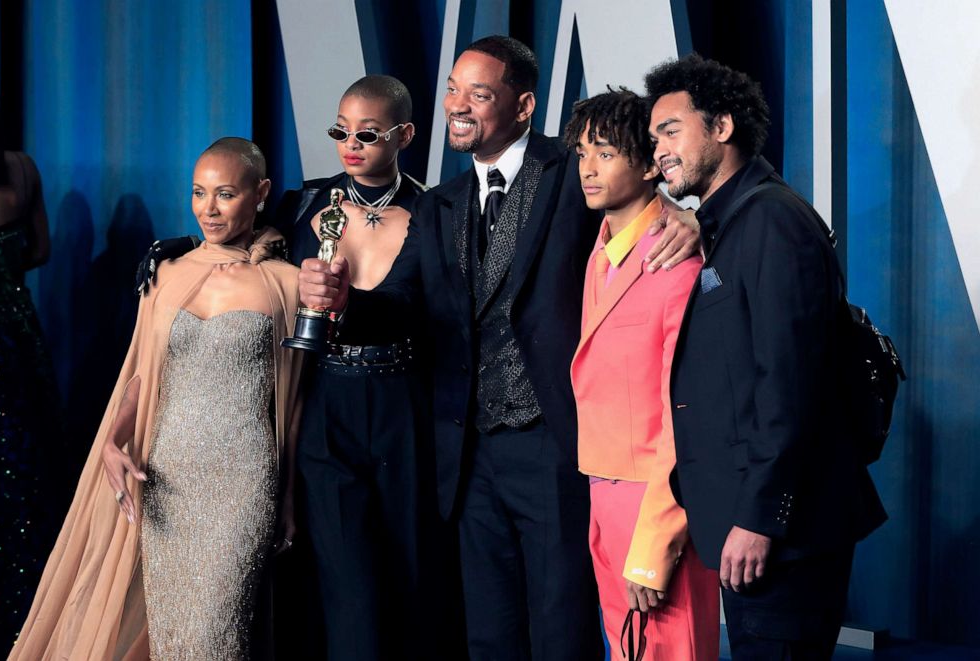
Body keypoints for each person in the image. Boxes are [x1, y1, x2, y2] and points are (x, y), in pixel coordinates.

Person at [299, 36, 699, 660]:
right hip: (467, 456)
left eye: (479, 94)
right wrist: (347, 301)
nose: (457, 105)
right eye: (453, 90)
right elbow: (408, 309)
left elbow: (643, 196)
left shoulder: (572, 172)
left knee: (561, 630)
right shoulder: (439, 205)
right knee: (488, 635)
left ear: (523, 106)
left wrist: (687, 213)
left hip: (553, 446)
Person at [9, 138, 302, 660]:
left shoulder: (287, 285)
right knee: (171, 639)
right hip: (167, 475)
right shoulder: (167, 274)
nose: (208, 209)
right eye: (198, 193)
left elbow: (296, 400)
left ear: (260, 193)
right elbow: (142, 378)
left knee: (216, 637)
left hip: (243, 481)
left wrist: (288, 496)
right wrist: (113, 441)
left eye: (225, 194)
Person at [643, 54, 887, 659]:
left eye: (671, 131)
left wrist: (759, 518)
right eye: (653, 138)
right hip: (752, 526)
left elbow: (789, 385)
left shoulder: (773, 221)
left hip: (782, 534)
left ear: (721, 127)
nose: (659, 152)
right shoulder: (732, 222)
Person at [279, 75, 450, 661]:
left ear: (404, 134)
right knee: (346, 582)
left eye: (369, 134)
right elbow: (245, 250)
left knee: (410, 573)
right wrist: (178, 250)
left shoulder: (437, 212)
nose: (351, 144)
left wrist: (353, 302)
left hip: (406, 406)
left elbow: (434, 314)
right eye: (340, 131)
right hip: (328, 404)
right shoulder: (303, 204)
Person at [566, 88, 719, 660]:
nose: (588, 168)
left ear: (651, 160)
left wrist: (656, 541)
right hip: (601, 488)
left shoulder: (677, 260)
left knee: (670, 650)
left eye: (604, 152)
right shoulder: (600, 252)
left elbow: (687, 417)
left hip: (657, 502)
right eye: (582, 153)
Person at [0, 75, 62, 659]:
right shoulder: (21, 169)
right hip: (18, 343)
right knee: (24, 485)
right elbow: (40, 251)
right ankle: (30, 624)